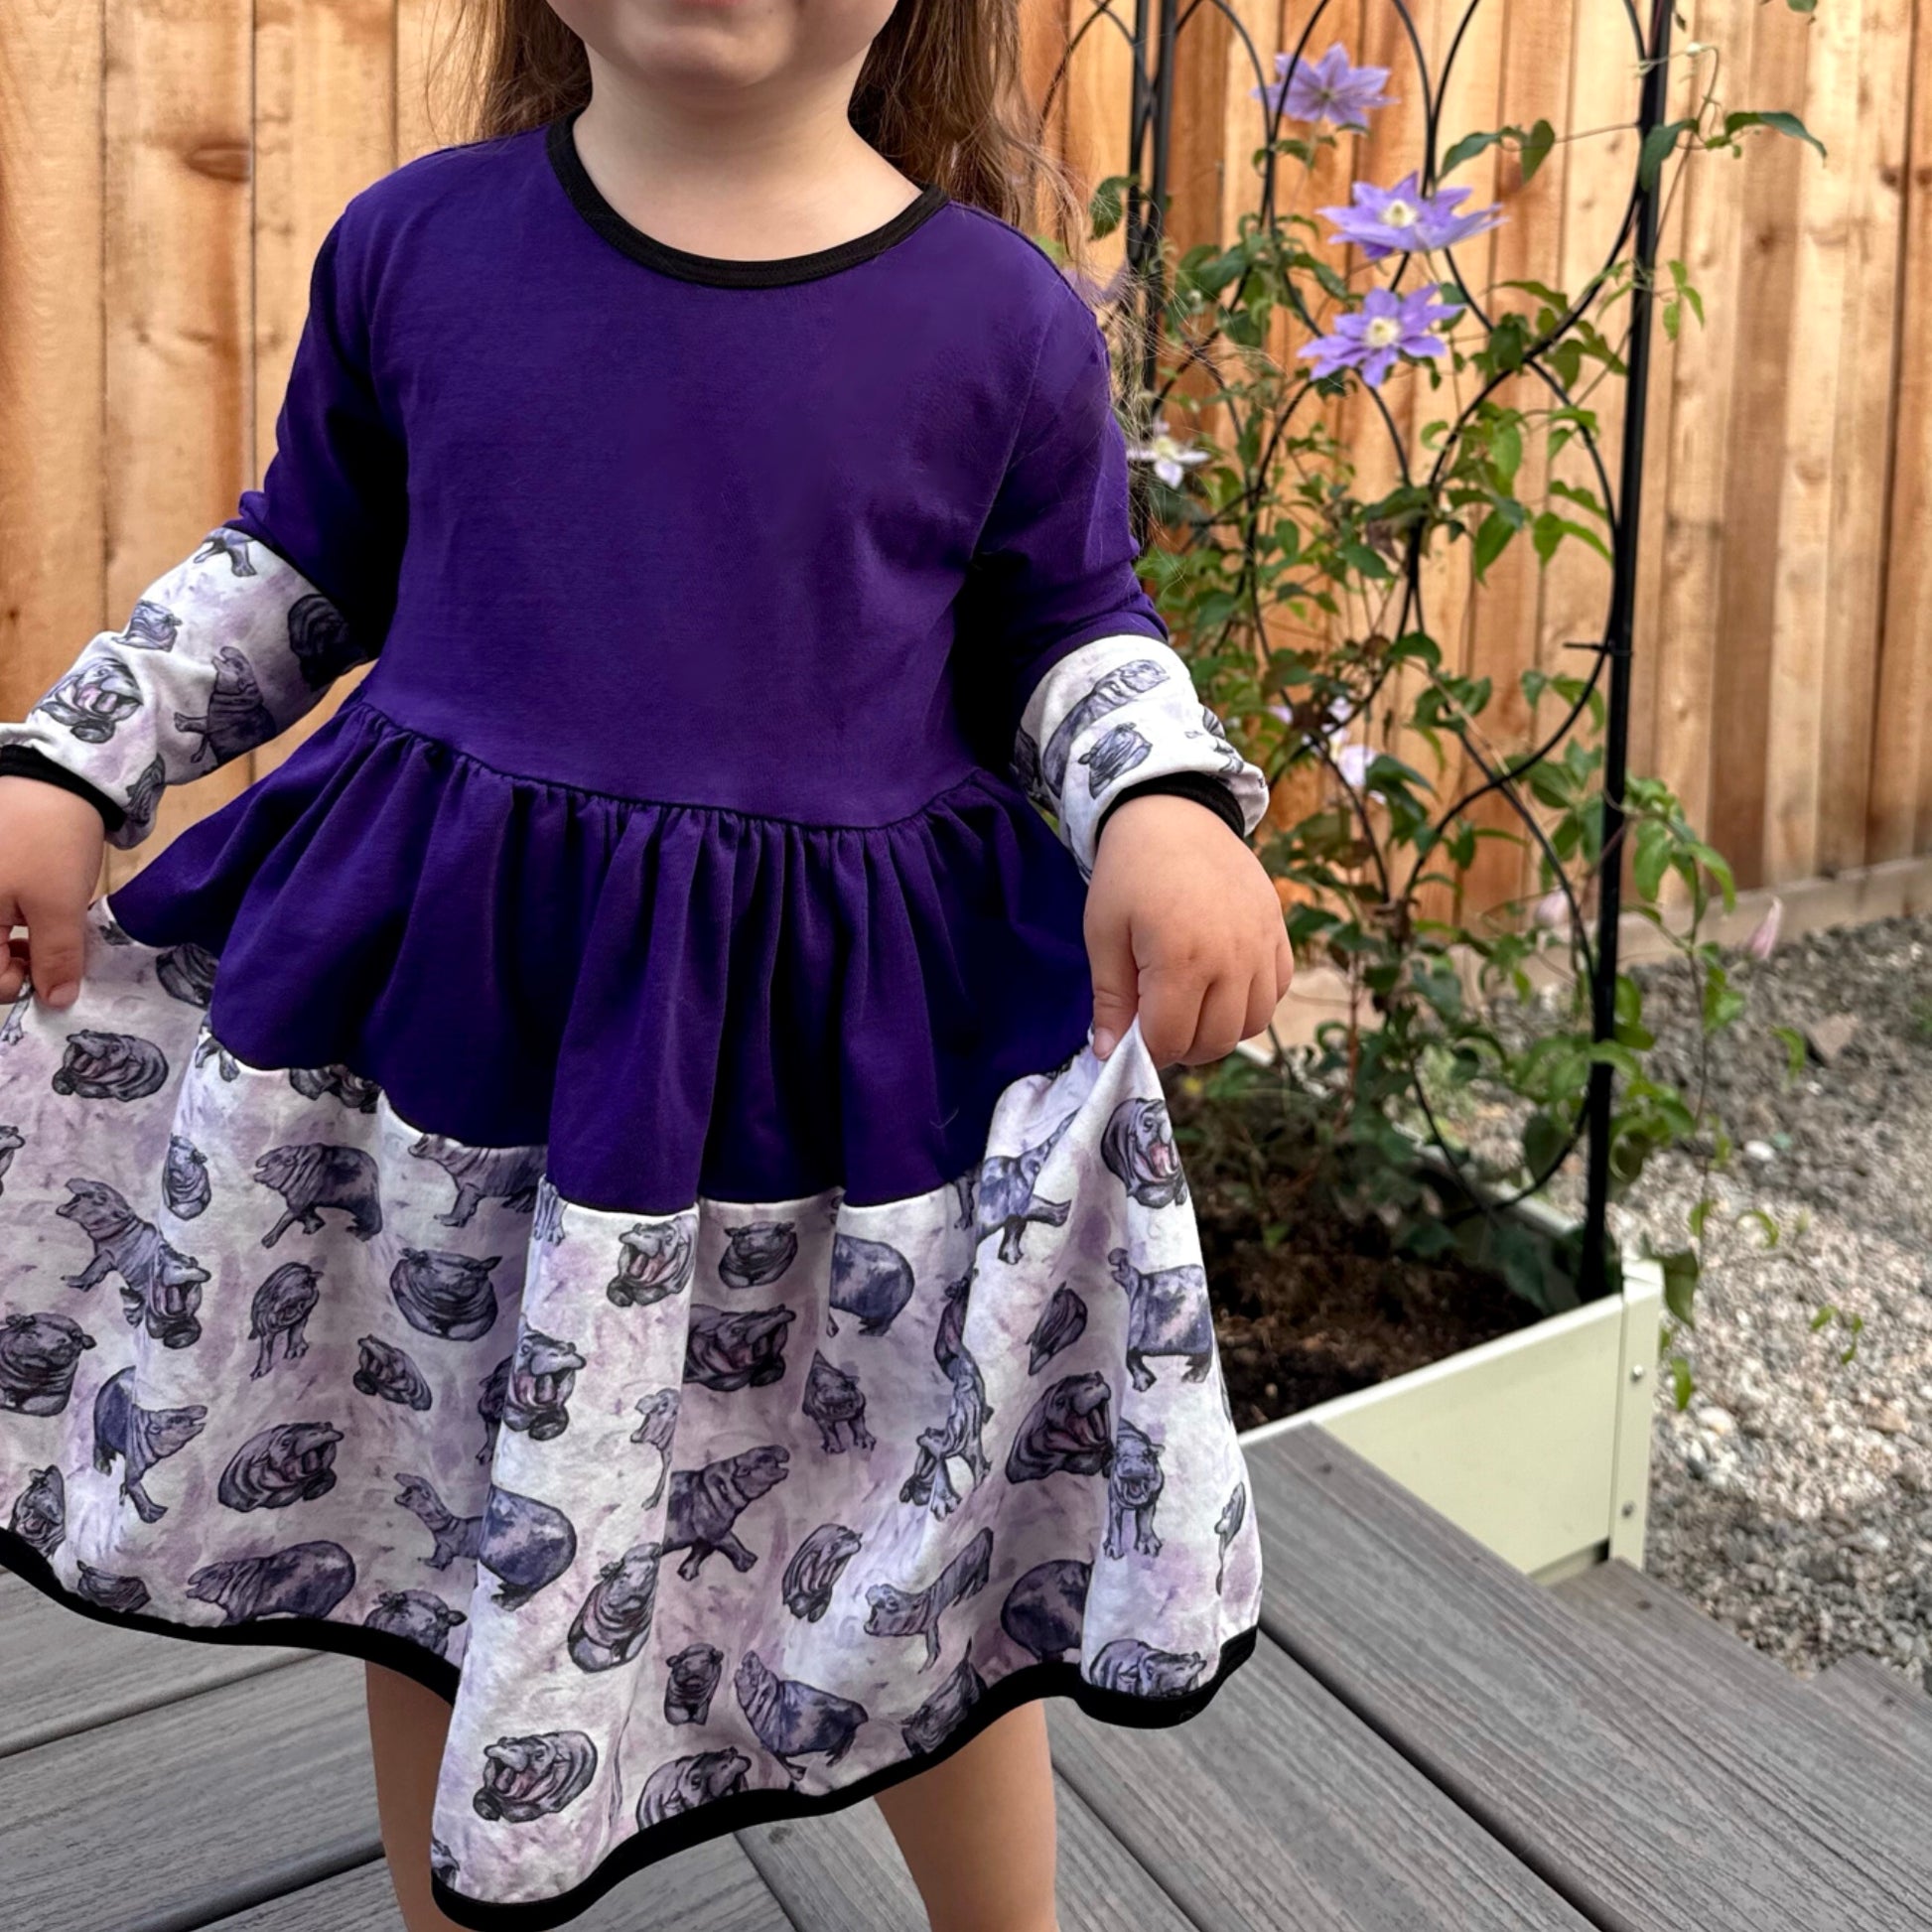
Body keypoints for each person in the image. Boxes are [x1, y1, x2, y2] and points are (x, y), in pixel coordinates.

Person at [0, 1, 1291, 1926]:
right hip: (458, 1040)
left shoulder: (995, 316)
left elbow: (1063, 626)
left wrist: (1160, 801)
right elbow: (299, 560)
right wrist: (72, 756)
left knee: (901, 1533)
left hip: (831, 1079)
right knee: (430, 1509)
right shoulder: (419, 246)